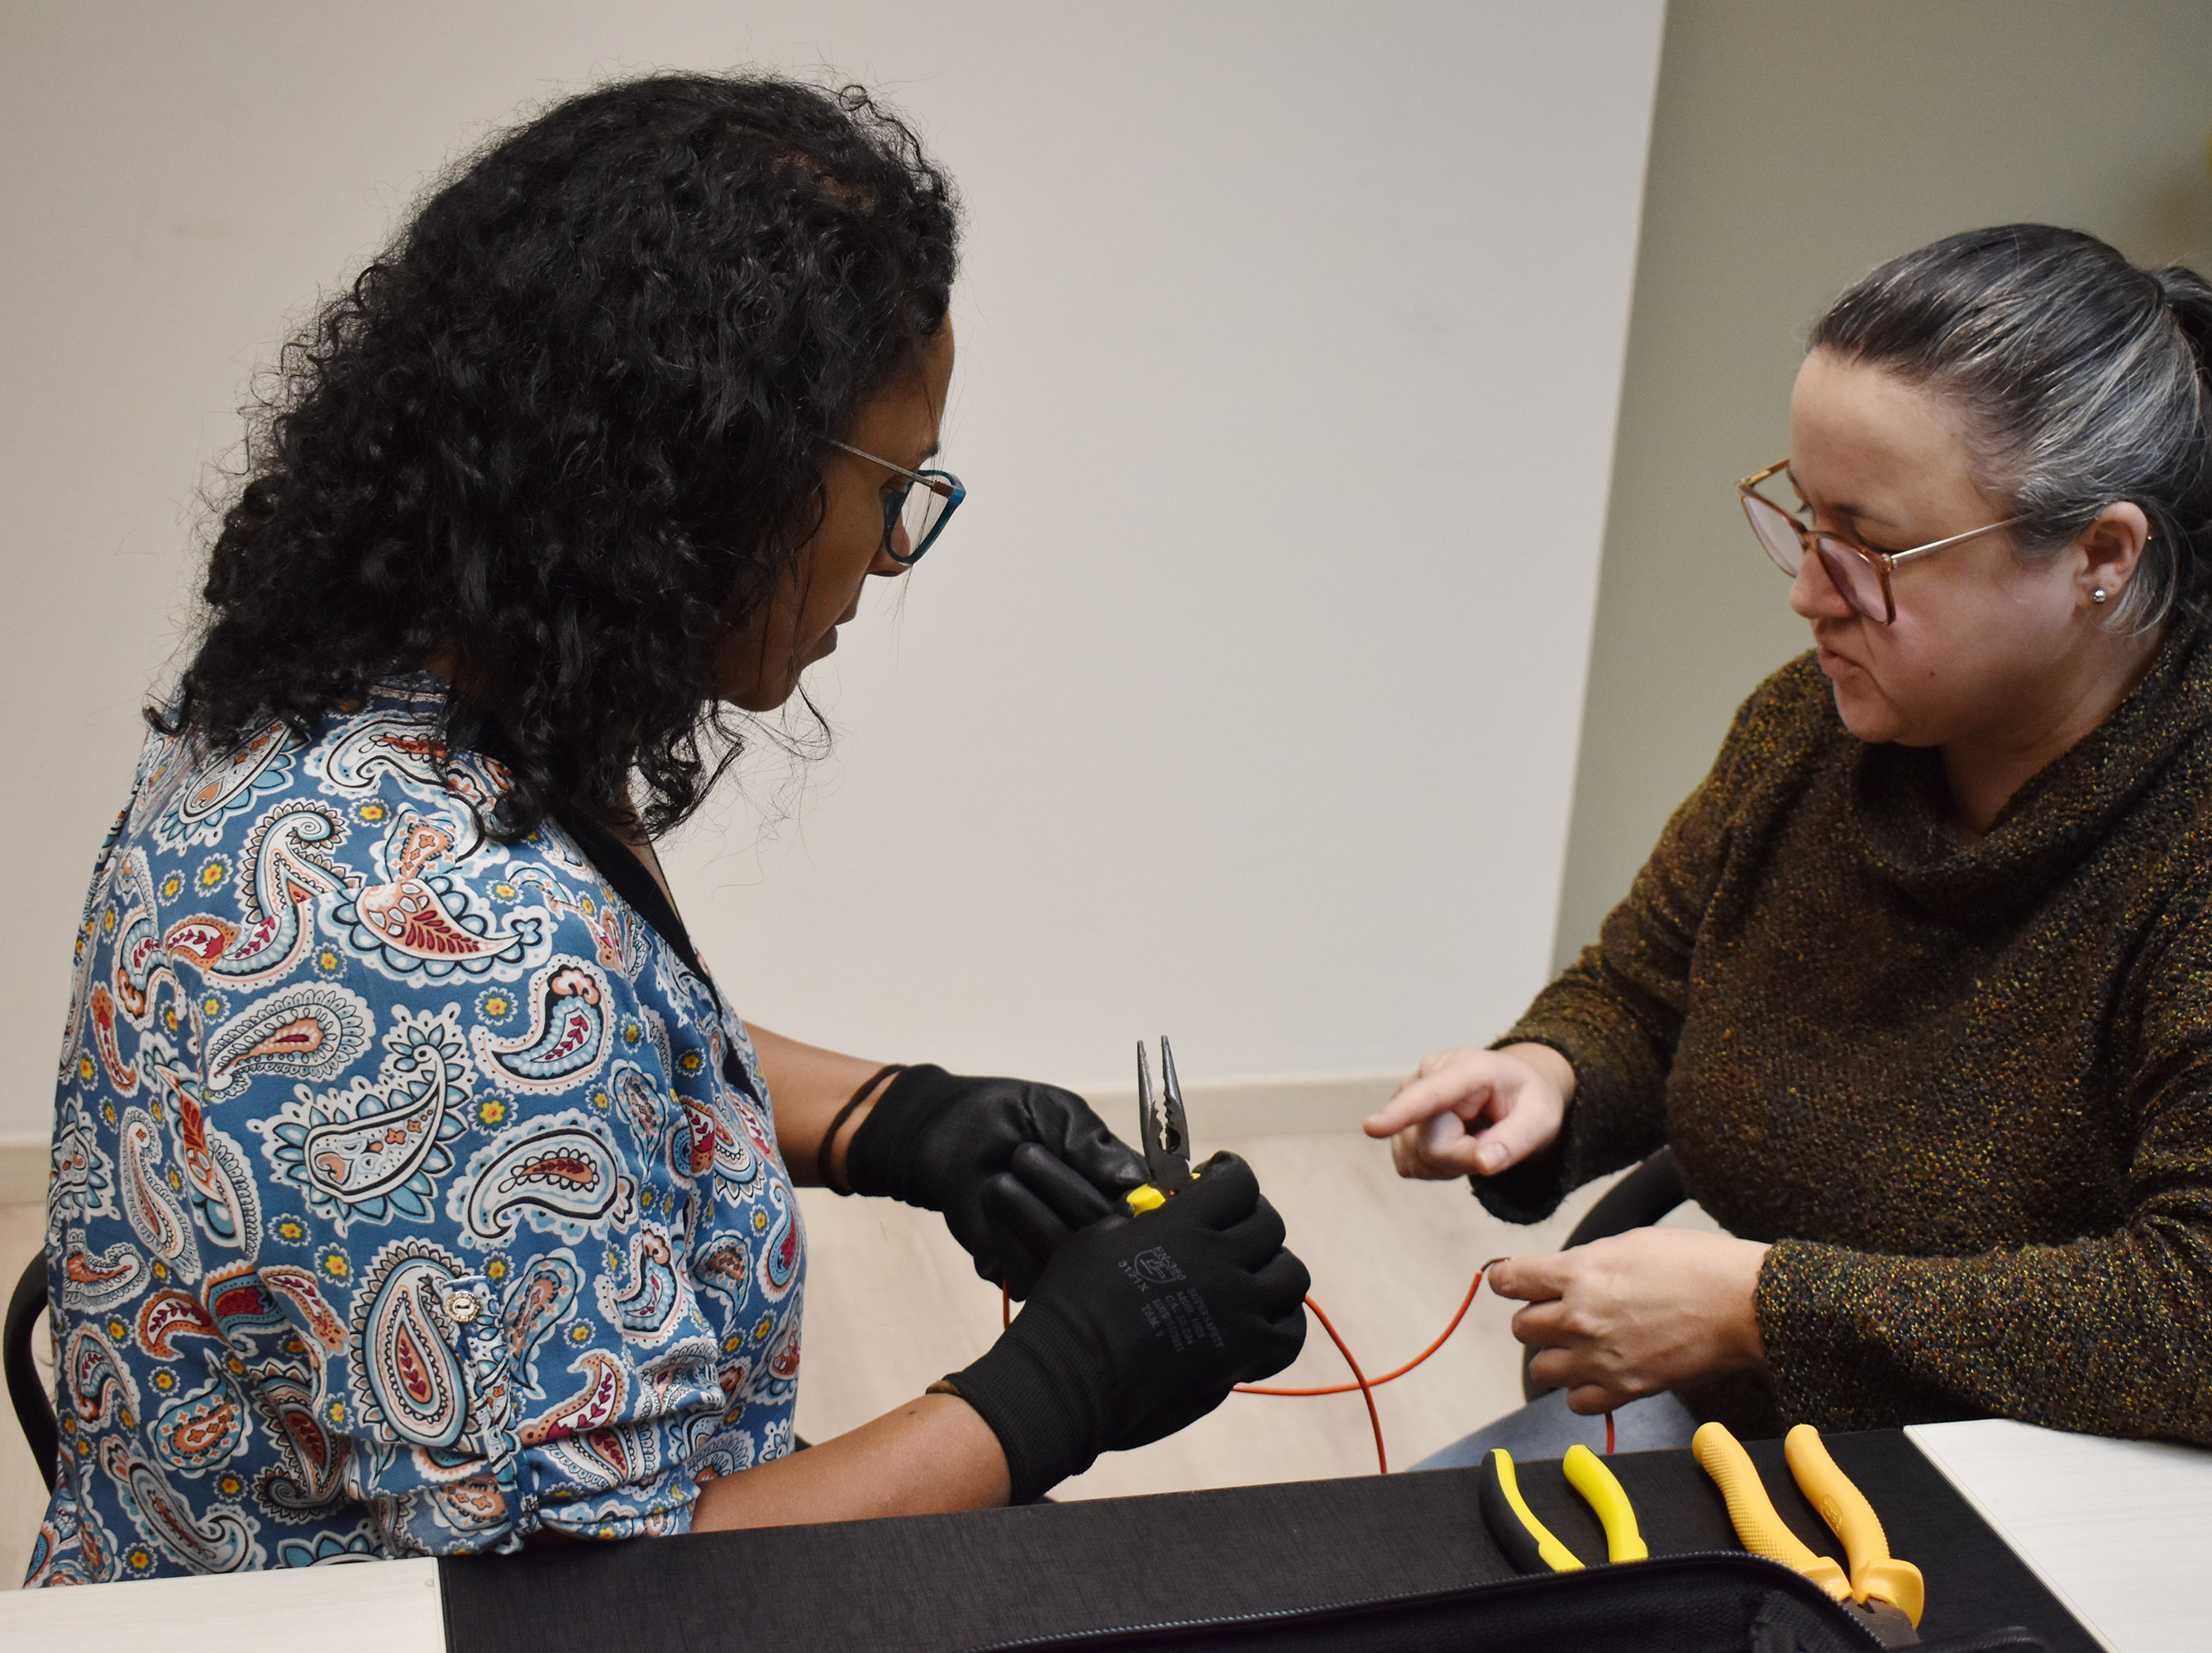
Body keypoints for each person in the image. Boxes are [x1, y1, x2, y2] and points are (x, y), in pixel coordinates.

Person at [31, 74, 1308, 1585]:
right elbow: (623, 1610)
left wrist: (898, 1116)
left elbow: (550, 1064)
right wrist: (1066, 1382)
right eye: (888, 488)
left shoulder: (344, 718)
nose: (892, 556)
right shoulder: (443, 942)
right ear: (712, 470)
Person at [1367, 224, 2212, 1461]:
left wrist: (1757, 1309)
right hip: (1803, 1434)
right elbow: (1649, 992)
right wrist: (1551, 1075)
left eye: (1873, 547)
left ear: (2101, 555)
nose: (1809, 592)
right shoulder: (1811, 734)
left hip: (2158, 1504)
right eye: (1802, 517)